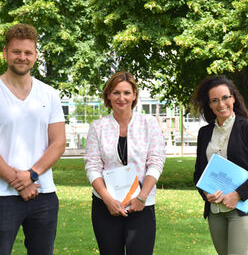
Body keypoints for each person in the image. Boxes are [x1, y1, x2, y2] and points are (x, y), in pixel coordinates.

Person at [0, 23, 66, 255]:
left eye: (28, 52)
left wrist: (32, 175)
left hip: (43, 194)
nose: (22, 57)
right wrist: (16, 179)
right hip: (2, 195)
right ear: (5, 53)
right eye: (16, 51)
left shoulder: (49, 94)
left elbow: (58, 142)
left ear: (36, 56)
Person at [84, 71, 165, 255]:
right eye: (116, 92)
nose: (122, 98)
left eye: (127, 93)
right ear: (108, 96)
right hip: (105, 204)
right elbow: (92, 167)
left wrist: (142, 197)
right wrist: (108, 200)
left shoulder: (149, 123)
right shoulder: (97, 127)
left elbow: (156, 162)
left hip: (141, 204)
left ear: (134, 95)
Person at [192, 75, 248, 255]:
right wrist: (206, 193)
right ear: (209, 105)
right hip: (215, 211)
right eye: (214, 100)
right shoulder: (204, 133)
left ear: (233, 98)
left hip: (242, 209)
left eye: (225, 98)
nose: (221, 104)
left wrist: (238, 194)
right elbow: (198, 173)